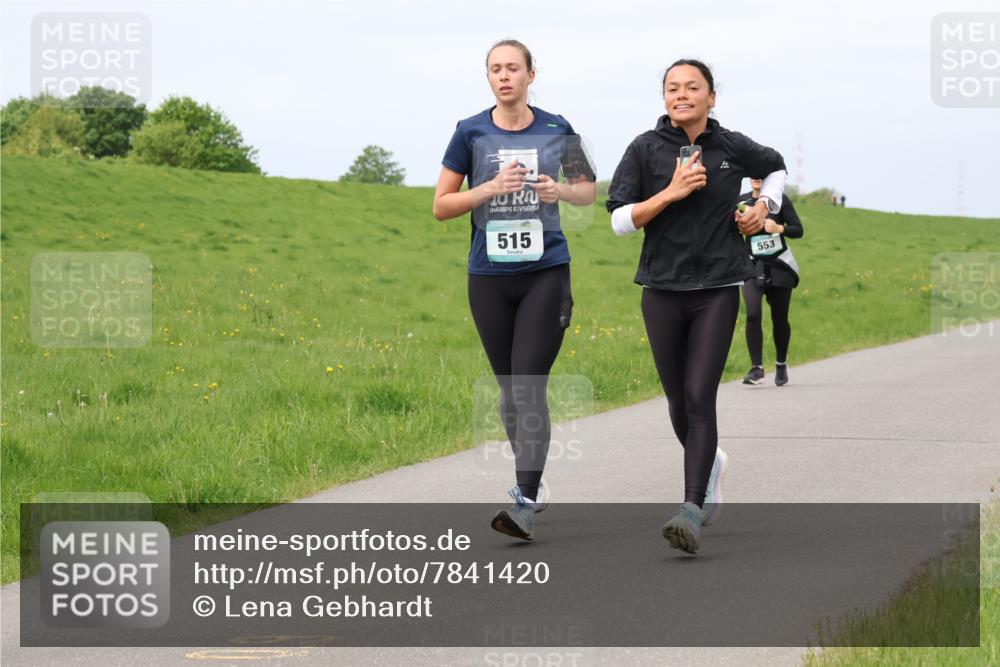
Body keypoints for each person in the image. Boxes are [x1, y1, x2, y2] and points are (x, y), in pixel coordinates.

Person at [607, 59, 786, 554]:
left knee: (698, 395)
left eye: (692, 87)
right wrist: (670, 192)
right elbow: (620, 220)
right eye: (672, 88)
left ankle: (690, 509)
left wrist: (763, 207)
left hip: (717, 289)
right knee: (676, 401)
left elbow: (774, 167)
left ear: (711, 97)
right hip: (661, 290)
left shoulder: (730, 146)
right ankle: (712, 466)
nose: (681, 94)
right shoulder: (644, 148)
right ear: (663, 98)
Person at [433, 39, 596, 541]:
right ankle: (534, 480)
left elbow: (588, 191)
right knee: (509, 391)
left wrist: (558, 191)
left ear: (531, 74)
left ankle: (524, 500)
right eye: (495, 70)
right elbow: (441, 204)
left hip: (546, 271)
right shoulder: (469, 132)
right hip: (488, 276)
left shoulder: (558, 128)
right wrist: (488, 189)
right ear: (488, 78)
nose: (504, 77)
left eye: (512, 68)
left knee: (528, 383)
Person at [740, 179, 804, 386]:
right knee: (752, 313)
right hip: (751, 265)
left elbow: (798, 230)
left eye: (761, 174)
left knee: (780, 319)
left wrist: (779, 228)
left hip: (779, 266)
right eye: (753, 174)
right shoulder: (740, 202)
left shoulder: (779, 200)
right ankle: (756, 368)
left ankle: (781, 363)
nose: (757, 178)